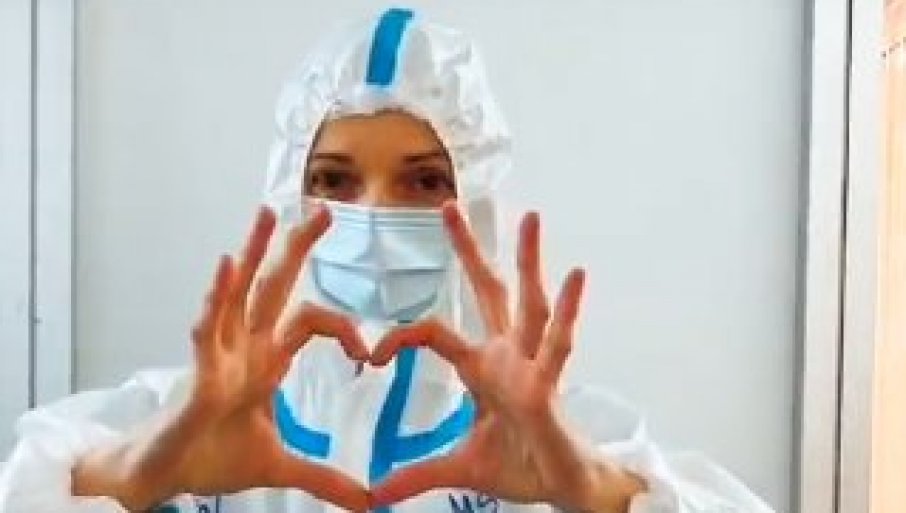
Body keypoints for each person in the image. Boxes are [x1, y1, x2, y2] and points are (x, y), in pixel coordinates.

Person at [0, 8, 775, 513]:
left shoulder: (564, 439)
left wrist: (597, 492)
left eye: (425, 181)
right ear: (291, 198)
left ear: (475, 206)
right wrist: (141, 474)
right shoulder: (174, 419)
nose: (372, 217)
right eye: (334, 180)